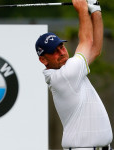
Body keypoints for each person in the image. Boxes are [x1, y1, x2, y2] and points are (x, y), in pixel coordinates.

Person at [35, 0, 113, 149]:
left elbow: (95, 49)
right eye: (54, 51)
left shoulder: (71, 70)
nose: (62, 52)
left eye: (61, 47)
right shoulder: (64, 76)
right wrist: (82, 9)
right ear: (43, 59)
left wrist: (96, 11)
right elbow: (87, 40)